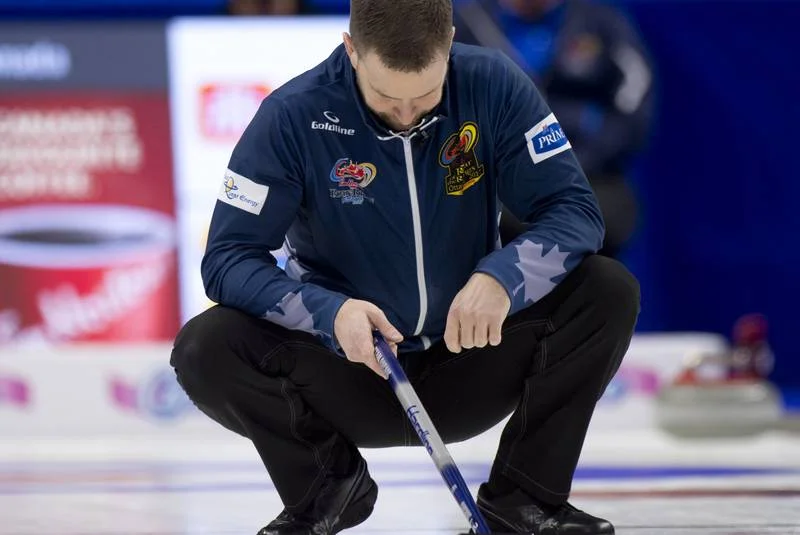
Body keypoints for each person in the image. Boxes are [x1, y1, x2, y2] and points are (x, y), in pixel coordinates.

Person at [170, 0, 640, 533]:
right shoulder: (292, 114)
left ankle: (526, 498)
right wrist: (329, 313)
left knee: (607, 289)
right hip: (349, 371)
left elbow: (574, 210)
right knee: (204, 346)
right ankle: (328, 487)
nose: (407, 114)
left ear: (451, 45)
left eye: (427, 95)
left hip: (469, 356)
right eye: (387, 96)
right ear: (351, 51)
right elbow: (228, 258)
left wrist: (504, 277)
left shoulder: (494, 84)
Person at [455, 0, 654, 259]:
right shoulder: (467, 23)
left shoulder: (601, 23)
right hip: (493, 181)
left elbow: (635, 101)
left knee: (600, 219)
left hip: (588, 177)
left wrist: (581, 156)